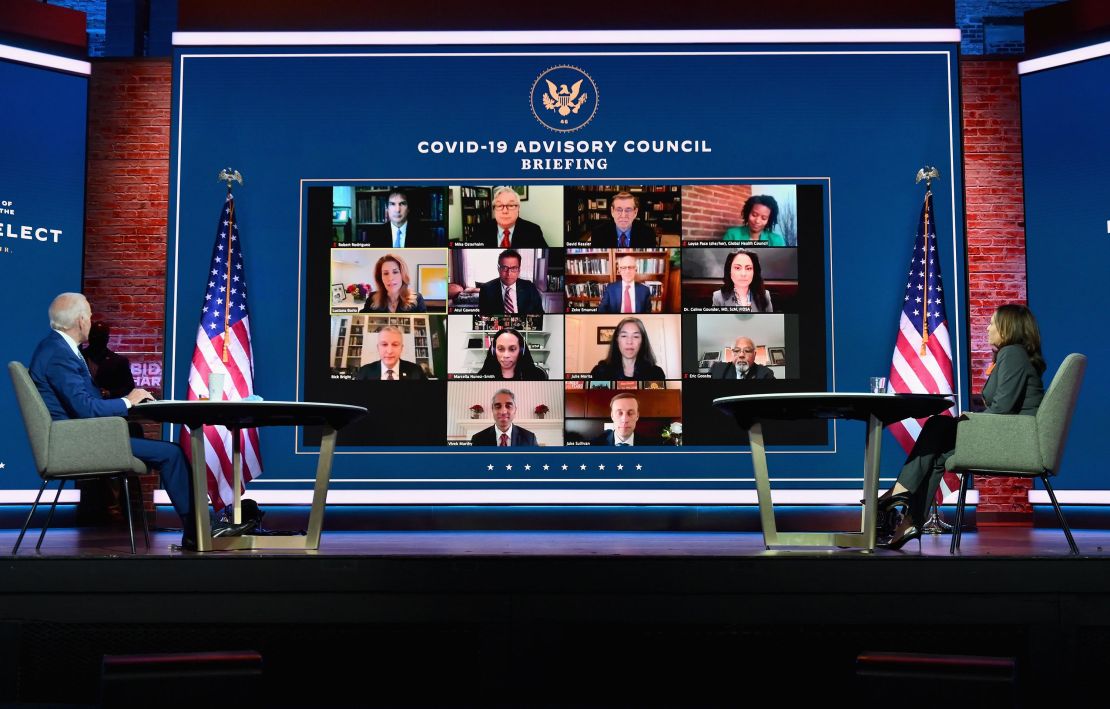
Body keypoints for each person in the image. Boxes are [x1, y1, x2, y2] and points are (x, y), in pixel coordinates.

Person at [28, 293, 250, 549]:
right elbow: (85, 409)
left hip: (83, 435)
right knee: (172, 454)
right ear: (80, 320)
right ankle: (200, 529)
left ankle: (197, 529)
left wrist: (131, 402)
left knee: (150, 440)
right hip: (78, 441)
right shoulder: (58, 353)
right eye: (89, 315)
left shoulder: (59, 348)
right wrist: (128, 401)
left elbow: (84, 403)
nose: (91, 320)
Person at [878, 304, 1046, 550]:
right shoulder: (1014, 355)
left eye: (993, 323)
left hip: (1015, 441)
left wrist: (971, 421)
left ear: (1008, 328)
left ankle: (898, 494)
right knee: (937, 452)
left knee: (937, 425)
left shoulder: (1013, 353)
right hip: (1011, 435)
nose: (987, 328)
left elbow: (1001, 409)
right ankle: (911, 521)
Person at [589, 317, 666, 380]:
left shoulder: (656, 373)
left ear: (642, 340)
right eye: (624, 336)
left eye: (635, 336)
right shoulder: (599, 372)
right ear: (617, 339)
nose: (629, 342)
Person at [362, 189, 439, 247]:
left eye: (402, 204)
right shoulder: (374, 235)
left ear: (408, 209)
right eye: (392, 204)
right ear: (387, 209)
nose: (397, 210)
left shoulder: (424, 234)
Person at [478, 249, 544, 314]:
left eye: (514, 268)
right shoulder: (486, 289)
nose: (509, 273)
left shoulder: (530, 287)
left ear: (519, 270)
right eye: (504, 268)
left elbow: (540, 313)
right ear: (498, 269)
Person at [477, 187, 547, 248]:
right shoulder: (481, 230)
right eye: (499, 205)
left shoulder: (533, 231)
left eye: (511, 205)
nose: (505, 211)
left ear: (518, 208)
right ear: (494, 209)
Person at [470, 388, 539, 447]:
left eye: (508, 406)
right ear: (492, 410)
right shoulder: (477, 439)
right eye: (497, 406)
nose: (503, 412)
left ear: (515, 410)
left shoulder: (530, 438)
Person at [361, 254, 427, 313]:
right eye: (386, 273)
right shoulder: (371, 299)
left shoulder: (417, 299)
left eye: (395, 272)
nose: (390, 278)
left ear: (402, 275)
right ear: (380, 278)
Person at [355, 325, 427, 380]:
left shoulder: (416, 371)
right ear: (378, 348)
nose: (389, 351)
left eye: (395, 345)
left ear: (401, 348)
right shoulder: (364, 372)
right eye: (384, 344)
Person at [590, 191, 657, 248]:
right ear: (612, 211)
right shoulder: (598, 233)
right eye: (619, 210)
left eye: (628, 210)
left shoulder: (648, 233)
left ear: (635, 212)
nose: (623, 215)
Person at [476, 329, 548, 380]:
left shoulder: (538, 376)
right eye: (500, 349)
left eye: (512, 349)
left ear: (521, 351)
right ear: (493, 351)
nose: (506, 355)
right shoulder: (482, 376)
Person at [592, 393, 661, 446]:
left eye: (630, 413)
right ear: (612, 416)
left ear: (637, 416)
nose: (624, 420)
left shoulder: (651, 446)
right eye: (619, 413)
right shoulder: (594, 445)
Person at [709, 336, 775, 380]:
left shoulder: (766, 373)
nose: (741, 355)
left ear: (754, 354)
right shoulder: (717, 369)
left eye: (747, 351)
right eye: (737, 351)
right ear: (732, 354)